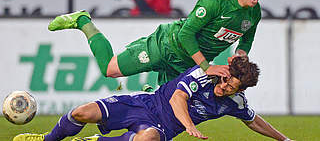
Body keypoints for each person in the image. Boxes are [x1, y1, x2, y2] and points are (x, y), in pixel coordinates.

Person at [47, 0, 273, 87]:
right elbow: (186, 35)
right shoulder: (216, 1)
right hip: (166, 45)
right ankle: (83, 21)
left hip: (187, 63)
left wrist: (241, 55)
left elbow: (247, 37)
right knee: (110, 70)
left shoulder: (254, 13)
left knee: (169, 109)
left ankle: (147, 95)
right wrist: (207, 67)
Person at [13, 56, 293, 141]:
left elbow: (253, 120)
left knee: (148, 139)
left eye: (233, 85)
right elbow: (178, 99)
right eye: (227, 78)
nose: (225, 85)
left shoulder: (235, 103)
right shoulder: (205, 73)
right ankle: (46, 140)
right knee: (81, 112)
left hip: (163, 128)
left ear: (240, 89)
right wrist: (191, 126)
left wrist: (285, 140)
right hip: (144, 104)